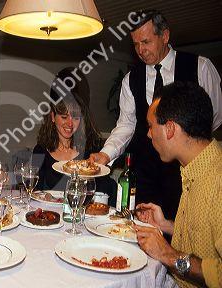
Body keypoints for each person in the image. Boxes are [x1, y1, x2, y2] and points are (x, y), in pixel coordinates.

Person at [89, 10, 222, 220]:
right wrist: (106, 155)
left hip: (187, 175)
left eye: (146, 42)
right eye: (135, 44)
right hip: (146, 174)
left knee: (186, 232)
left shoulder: (200, 66)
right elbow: (126, 125)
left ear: (165, 36)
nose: (140, 50)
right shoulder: (131, 80)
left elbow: (213, 118)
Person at [134, 81, 221, 288]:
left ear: (170, 128)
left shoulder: (218, 181)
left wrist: (168, 254)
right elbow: (205, 240)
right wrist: (166, 225)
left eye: (151, 126)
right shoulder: (193, 168)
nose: (149, 134)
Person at [33, 68, 116, 201]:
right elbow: (34, 192)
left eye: (76, 117)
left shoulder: (92, 152)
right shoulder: (40, 150)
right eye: (64, 117)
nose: (70, 124)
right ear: (53, 117)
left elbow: (103, 193)